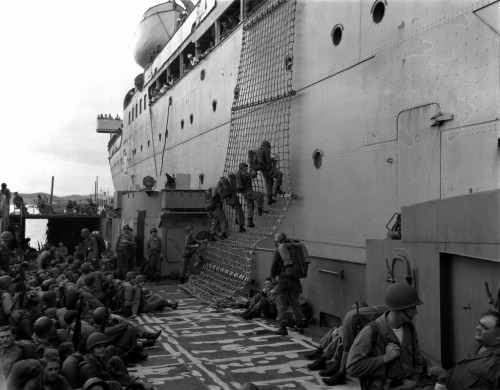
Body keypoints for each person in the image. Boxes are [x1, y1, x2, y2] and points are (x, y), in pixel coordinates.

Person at [346, 282, 425, 390]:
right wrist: (384, 358)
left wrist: (414, 382)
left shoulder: (409, 328)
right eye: (412, 307)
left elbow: (417, 359)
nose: (415, 312)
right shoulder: (371, 331)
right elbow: (352, 368)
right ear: (399, 308)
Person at [433, 310, 500, 389]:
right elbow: (461, 368)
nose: (477, 328)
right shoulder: (477, 346)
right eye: (479, 324)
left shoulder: (497, 360)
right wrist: (442, 380)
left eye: (485, 327)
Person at [79, 332, 154, 390]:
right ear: (91, 350)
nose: (103, 349)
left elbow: (116, 374)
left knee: (139, 386)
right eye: (98, 347)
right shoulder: (88, 368)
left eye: (104, 346)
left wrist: (139, 382)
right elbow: (96, 387)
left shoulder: (98, 360)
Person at [271, 232, 305, 335]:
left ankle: (283, 327)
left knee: (281, 303)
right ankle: (300, 325)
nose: (275, 243)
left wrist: (273, 278)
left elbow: (274, 266)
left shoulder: (279, 250)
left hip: (283, 281)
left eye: (276, 241)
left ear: (279, 241)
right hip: (295, 280)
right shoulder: (294, 248)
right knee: (295, 303)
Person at [235, 162, 265, 228]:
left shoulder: (240, 172)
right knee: (259, 196)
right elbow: (252, 176)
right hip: (247, 191)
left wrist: (250, 172)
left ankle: (250, 222)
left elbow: (248, 176)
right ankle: (260, 210)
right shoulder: (243, 172)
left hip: (244, 192)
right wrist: (255, 170)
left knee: (250, 206)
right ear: (243, 167)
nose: (247, 168)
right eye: (246, 167)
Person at [258, 140, 284, 204]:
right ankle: (277, 189)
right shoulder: (266, 150)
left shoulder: (259, 152)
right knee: (279, 174)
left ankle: (270, 199)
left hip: (264, 171)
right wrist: (273, 158)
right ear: (267, 146)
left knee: (269, 184)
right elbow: (268, 161)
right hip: (268, 169)